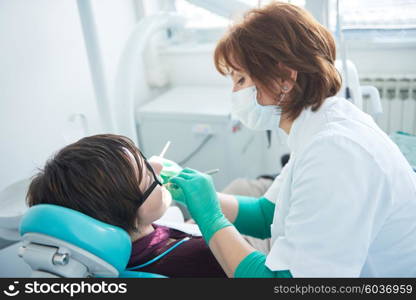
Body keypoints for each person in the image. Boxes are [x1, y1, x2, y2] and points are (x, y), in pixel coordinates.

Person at [165, 2, 416, 277]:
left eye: (240, 79)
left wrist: (210, 218)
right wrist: (202, 197)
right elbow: (265, 215)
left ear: (284, 78)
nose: (235, 92)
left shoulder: (336, 153)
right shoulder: (316, 127)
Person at [26, 134, 226, 278]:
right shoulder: (205, 256)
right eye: (148, 176)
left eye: (146, 161)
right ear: (130, 214)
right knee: (243, 186)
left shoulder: (97, 265)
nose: (160, 167)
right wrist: (213, 218)